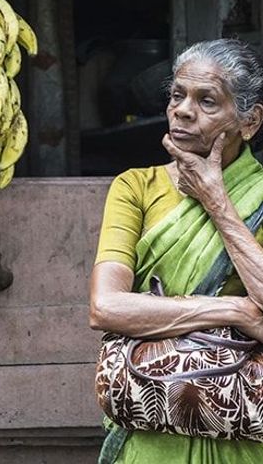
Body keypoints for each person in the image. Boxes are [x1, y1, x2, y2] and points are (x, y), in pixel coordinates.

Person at [89, 38, 263, 464]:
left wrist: (217, 202)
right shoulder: (135, 187)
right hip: (150, 439)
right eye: (177, 95)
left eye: (207, 100)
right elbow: (106, 307)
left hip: (243, 438)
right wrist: (233, 311)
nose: (183, 110)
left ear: (249, 121)